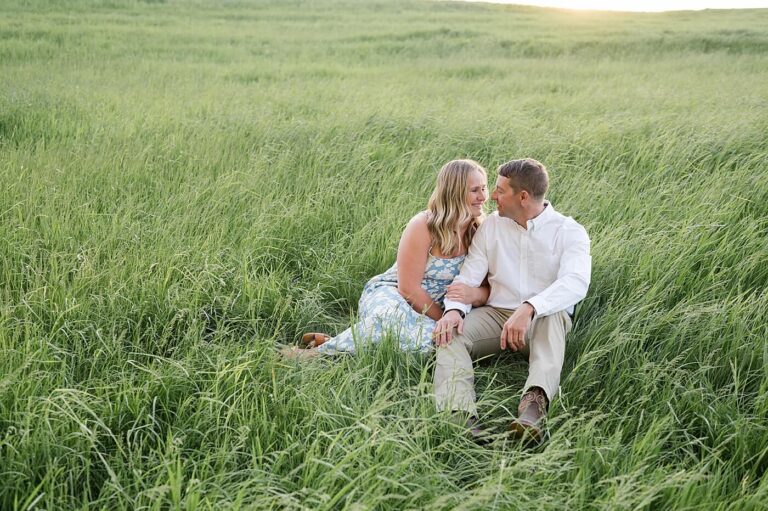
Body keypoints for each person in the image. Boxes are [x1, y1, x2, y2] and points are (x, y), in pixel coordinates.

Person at [432, 158, 591, 443]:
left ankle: (532, 410)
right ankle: (460, 416)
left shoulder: (569, 231)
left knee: (555, 318)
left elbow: (576, 282)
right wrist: (454, 310)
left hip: (542, 320)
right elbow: (469, 277)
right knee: (449, 334)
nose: (492, 197)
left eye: (499, 191)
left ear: (523, 197)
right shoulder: (491, 226)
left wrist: (530, 308)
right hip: (495, 316)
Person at [282, 159, 491, 359]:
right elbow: (408, 289)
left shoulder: (480, 231)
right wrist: (442, 318)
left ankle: (340, 343)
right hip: (396, 294)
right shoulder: (424, 226)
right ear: (453, 192)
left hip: (445, 308)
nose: (483, 196)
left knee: (435, 341)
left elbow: (487, 288)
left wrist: (463, 304)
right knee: (393, 320)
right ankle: (318, 354)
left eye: (484, 188)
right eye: (475, 190)